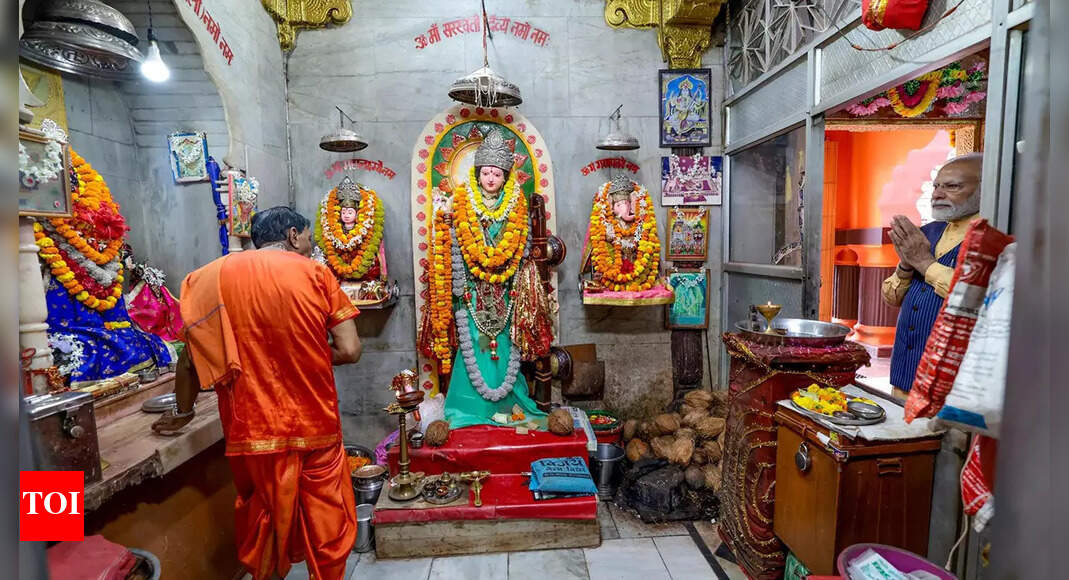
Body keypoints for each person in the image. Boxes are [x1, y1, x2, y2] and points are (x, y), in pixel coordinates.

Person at [151, 206, 362, 580]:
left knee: (263, 514)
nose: (310, 246)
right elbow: (349, 350)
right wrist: (308, 349)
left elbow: (189, 359)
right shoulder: (316, 272)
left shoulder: (209, 277)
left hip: (250, 428)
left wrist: (183, 413)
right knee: (326, 516)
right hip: (315, 424)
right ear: (294, 235)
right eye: (309, 239)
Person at [882, 153, 983, 398]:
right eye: (936, 186)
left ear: (985, 189)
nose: (937, 194)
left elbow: (976, 299)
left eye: (952, 186)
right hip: (905, 374)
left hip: (952, 387)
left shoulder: (991, 239)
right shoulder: (927, 233)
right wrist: (906, 265)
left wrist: (925, 263)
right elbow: (891, 298)